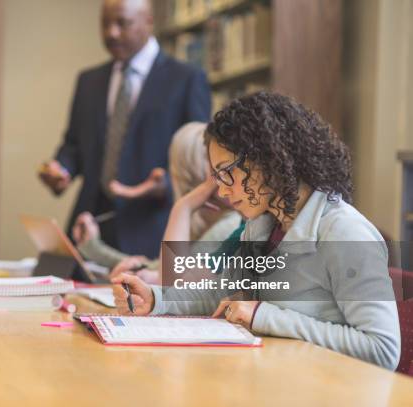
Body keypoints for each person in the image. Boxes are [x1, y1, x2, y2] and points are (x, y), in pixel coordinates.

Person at [112, 91, 401, 370]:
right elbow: (221, 293)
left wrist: (265, 315)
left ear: (268, 158)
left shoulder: (344, 232)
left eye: (228, 173)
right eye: (217, 176)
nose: (222, 190)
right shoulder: (263, 225)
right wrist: (156, 299)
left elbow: (383, 349)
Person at [39, 0, 211, 258]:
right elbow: (74, 144)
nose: (112, 33)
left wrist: (165, 183)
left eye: (123, 23)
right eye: (105, 24)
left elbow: (198, 155)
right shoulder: (88, 81)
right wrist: (61, 168)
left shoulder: (186, 79)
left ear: (149, 22)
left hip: (151, 230)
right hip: (88, 225)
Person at [72, 122, 242, 280]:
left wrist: (183, 207)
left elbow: (170, 279)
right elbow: (158, 269)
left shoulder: (229, 225)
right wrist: (95, 248)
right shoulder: (211, 223)